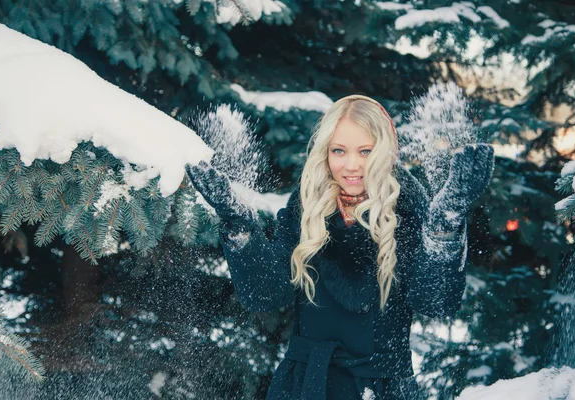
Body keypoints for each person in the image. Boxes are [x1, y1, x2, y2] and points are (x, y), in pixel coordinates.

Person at [186, 94, 494, 399]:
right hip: (305, 385)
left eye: (365, 151)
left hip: (381, 388)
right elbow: (266, 294)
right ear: (325, 153)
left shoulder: (409, 211)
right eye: (339, 150)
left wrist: (445, 225)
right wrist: (239, 225)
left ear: (386, 151)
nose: (351, 165)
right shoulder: (306, 208)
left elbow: (436, 303)